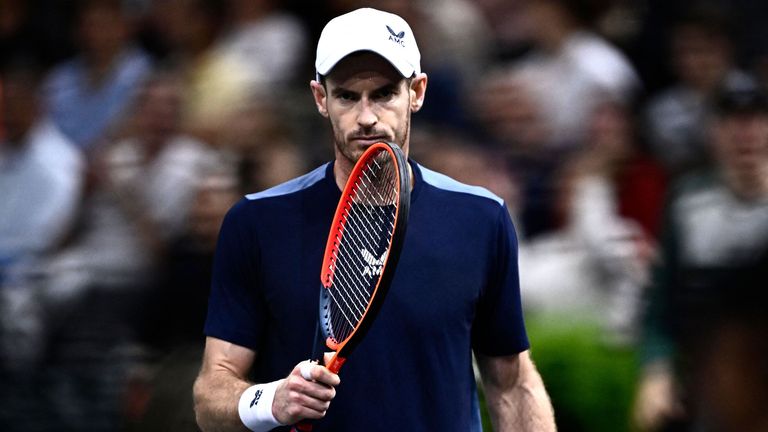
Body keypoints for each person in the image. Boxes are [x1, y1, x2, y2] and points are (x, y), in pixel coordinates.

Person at [193, 7, 555, 432]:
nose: (367, 117)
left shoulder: (482, 218)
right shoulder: (256, 222)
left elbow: (511, 382)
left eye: (384, 94)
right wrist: (270, 399)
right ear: (320, 98)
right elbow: (210, 395)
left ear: (416, 92)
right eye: (347, 95)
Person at [633, 79, 768, 431]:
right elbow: (661, 305)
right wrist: (657, 370)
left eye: (756, 120)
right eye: (731, 122)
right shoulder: (688, 203)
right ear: (713, 132)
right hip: (709, 372)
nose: (745, 134)